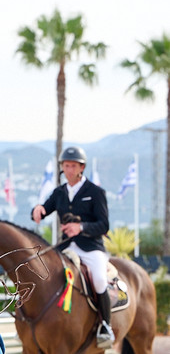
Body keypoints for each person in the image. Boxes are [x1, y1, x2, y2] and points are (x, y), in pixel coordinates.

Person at [31, 146, 114, 349]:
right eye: (66, 166)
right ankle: (34, 325)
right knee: (45, 277)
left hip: (91, 247)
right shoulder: (59, 193)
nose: (69, 169)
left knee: (100, 279)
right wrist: (38, 209)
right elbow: (45, 208)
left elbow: (104, 225)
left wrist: (81, 227)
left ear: (81, 167)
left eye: (73, 166)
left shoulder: (95, 192)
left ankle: (105, 325)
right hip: (66, 248)